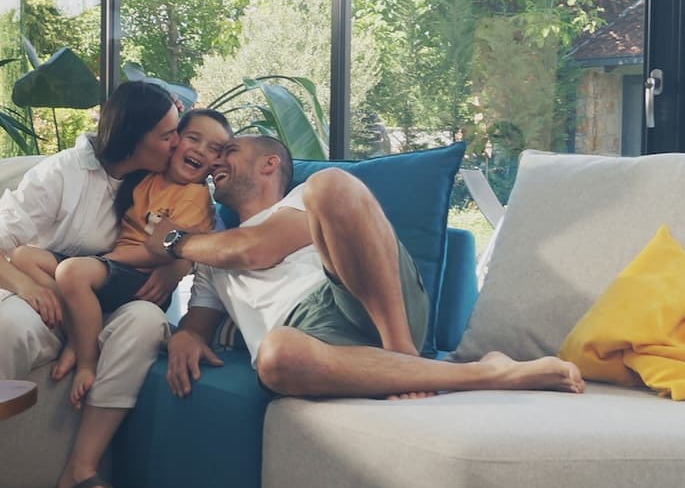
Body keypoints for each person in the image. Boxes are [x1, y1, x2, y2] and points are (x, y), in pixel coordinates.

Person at [144, 134, 586, 400]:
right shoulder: (211, 254)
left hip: (366, 301)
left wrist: (173, 240)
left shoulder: (296, 203)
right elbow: (199, 323)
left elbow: (255, 249)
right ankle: (485, 373)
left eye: (229, 151)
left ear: (269, 163)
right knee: (274, 357)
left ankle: (400, 354)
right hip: (307, 340)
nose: (215, 162)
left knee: (331, 185)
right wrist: (186, 336)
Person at [0, 80, 184, 488]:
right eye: (167, 135)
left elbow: (197, 228)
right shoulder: (60, 173)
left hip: (97, 312)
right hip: (36, 299)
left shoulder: (159, 181)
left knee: (144, 319)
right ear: (133, 137)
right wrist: (27, 288)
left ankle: (80, 473)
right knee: (12, 325)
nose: (176, 142)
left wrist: (177, 265)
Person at [12, 108, 230, 409]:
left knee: (72, 272)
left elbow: (162, 248)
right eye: (193, 138)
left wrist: (108, 259)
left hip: (142, 276)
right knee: (23, 256)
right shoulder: (149, 177)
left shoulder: (193, 196)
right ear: (174, 140)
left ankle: (86, 360)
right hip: (113, 267)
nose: (201, 150)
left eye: (214, 149)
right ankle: (76, 325)